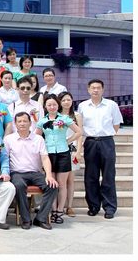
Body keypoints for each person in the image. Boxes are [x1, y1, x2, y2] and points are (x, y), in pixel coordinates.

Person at [4, 111, 59, 230]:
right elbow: (4, 159)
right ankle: (26, 219)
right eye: (19, 121)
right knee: (19, 186)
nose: (22, 123)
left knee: (52, 186)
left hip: (35, 173)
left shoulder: (38, 139)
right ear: (15, 124)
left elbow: (45, 158)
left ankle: (41, 218)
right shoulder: (9, 139)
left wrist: (49, 175)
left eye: (25, 121)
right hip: (17, 173)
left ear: (30, 123)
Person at [78, 79, 123, 219]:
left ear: (103, 89)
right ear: (88, 89)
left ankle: (109, 208)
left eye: (98, 88)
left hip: (106, 142)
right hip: (90, 142)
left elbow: (116, 125)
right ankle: (93, 206)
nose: (95, 90)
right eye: (93, 88)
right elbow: (80, 126)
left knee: (108, 175)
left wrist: (107, 135)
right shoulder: (83, 106)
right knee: (91, 176)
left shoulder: (111, 105)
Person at [36, 94, 81, 224]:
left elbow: (79, 132)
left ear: (58, 105)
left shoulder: (65, 118)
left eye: (54, 104)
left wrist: (68, 141)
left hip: (63, 153)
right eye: (49, 105)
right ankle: (53, 210)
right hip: (48, 154)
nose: (52, 107)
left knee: (62, 184)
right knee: (52, 184)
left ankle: (59, 211)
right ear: (45, 106)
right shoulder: (42, 121)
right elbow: (37, 138)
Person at [59, 91, 83, 217]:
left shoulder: (76, 115)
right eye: (63, 100)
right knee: (60, 180)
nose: (66, 102)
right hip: (59, 150)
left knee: (70, 180)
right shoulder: (56, 115)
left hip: (72, 150)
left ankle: (69, 206)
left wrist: (78, 151)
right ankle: (59, 207)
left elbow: (80, 134)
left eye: (68, 99)